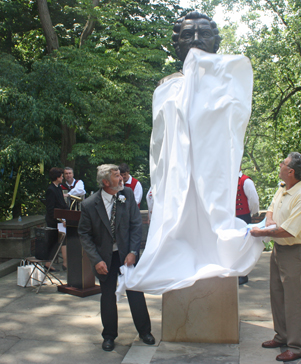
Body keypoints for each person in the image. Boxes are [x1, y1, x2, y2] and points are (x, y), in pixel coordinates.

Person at [115, 11, 263, 297]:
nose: (196, 40)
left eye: (204, 34)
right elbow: (158, 144)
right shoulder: (166, 88)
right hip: (177, 180)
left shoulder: (228, 85)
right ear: (177, 44)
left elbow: (231, 132)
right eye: (188, 34)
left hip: (212, 178)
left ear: (216, 41)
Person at [78, 164, 155, 352]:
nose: (122, 179)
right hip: (105, 258)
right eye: (116, 176)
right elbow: (84, 234)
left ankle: (145, 331)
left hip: (126, 255)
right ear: (105, 182)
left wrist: (133, 252)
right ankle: (109, 336)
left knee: (135, 293)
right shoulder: (89, 205)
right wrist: (96, 260)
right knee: (108, 297)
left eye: (121, 175)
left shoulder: (127, 196)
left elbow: (136, 225)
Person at [250, 152, 301, 362]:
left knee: (294, 299)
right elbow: (270, 210)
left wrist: (262, 232)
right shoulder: (283, 188)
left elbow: (289, 230)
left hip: (295, 252)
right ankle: (282, 336)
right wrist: (268, 221)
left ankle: (297, 346)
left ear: (291, 171)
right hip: (279, 249)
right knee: (277, 295)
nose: (280, 165)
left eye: (283, 164)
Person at [236, 168, 259, 285]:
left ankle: (243, 274)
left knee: (243, 245)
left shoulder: (245, 181)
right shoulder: (228, 179)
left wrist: (248, 213)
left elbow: (254, 201)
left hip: (243, 217)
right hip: (232, 218)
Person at [45, 167, 69, 270]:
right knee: (53, 241)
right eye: (61, 176)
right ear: (57, 177)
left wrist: (68, 212)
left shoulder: (59, 187)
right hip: (53, 220)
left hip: (61, 218)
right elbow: (51, 209)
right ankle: (48, 262)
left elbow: (62, 204)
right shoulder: (50, 190)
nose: (63, 177)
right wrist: (60, 219)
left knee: (64, 239)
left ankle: (65, 262)